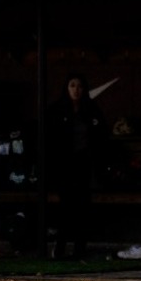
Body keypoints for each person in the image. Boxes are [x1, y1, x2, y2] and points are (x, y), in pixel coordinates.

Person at [47, 74, 107, 259]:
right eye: (72, 85)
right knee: (65, 206)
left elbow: (100, 135)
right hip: (64, 165)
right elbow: (50, 138)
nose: (76, 90)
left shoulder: (91, 109)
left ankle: (79, 249)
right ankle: (60, 247)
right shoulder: (57, 110)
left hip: (84, 164)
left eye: (79, 86)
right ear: (66, 88)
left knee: (83, 206)